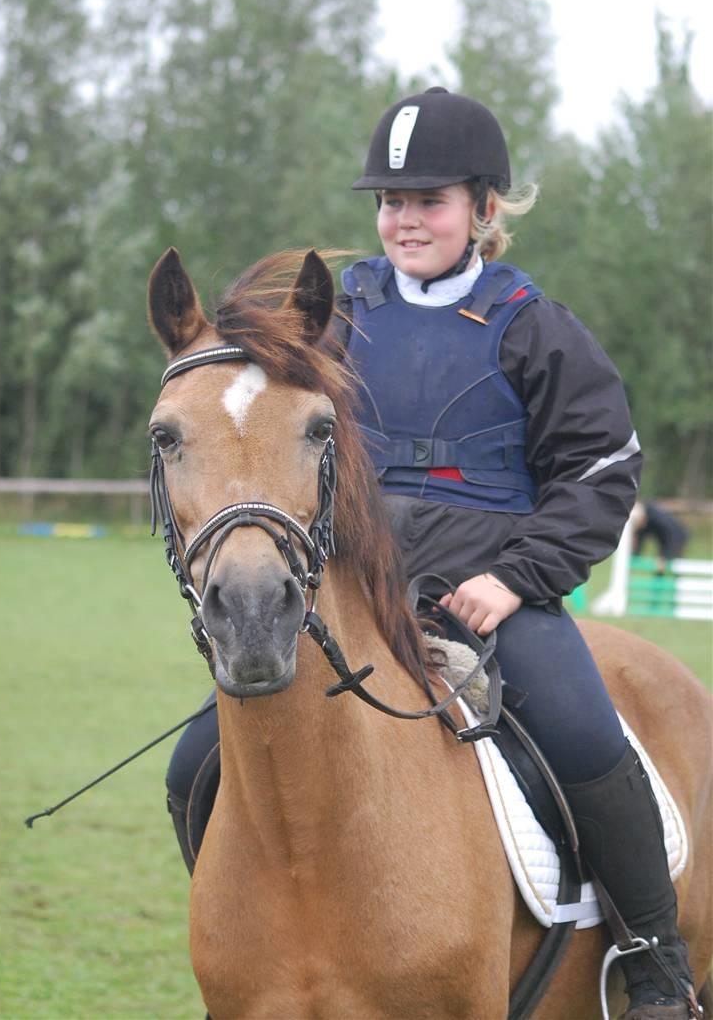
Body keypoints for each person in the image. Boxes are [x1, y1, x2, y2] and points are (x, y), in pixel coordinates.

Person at [165, 88, 699, 1019]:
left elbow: (603, 466)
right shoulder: (334, 315)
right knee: (196, 759)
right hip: (353, 603)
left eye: (431, 200)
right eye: (391, 202)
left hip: (495, 599)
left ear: (485, 210)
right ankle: (261, 933)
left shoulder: (532, 323)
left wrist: (518, 578)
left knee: (584, 734)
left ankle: (652, 964)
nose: (405, 220)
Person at [632, 501, 690, 574]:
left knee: (673, 561)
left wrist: (664, 556)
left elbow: (672, 536)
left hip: (677, 534)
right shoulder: (642, 518)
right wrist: (634, 555)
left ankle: (678, 580)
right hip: (663, 538)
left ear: (643, 519)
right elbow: (640, 538)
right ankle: (658, 579)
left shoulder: (658, 518)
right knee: (659, 567)